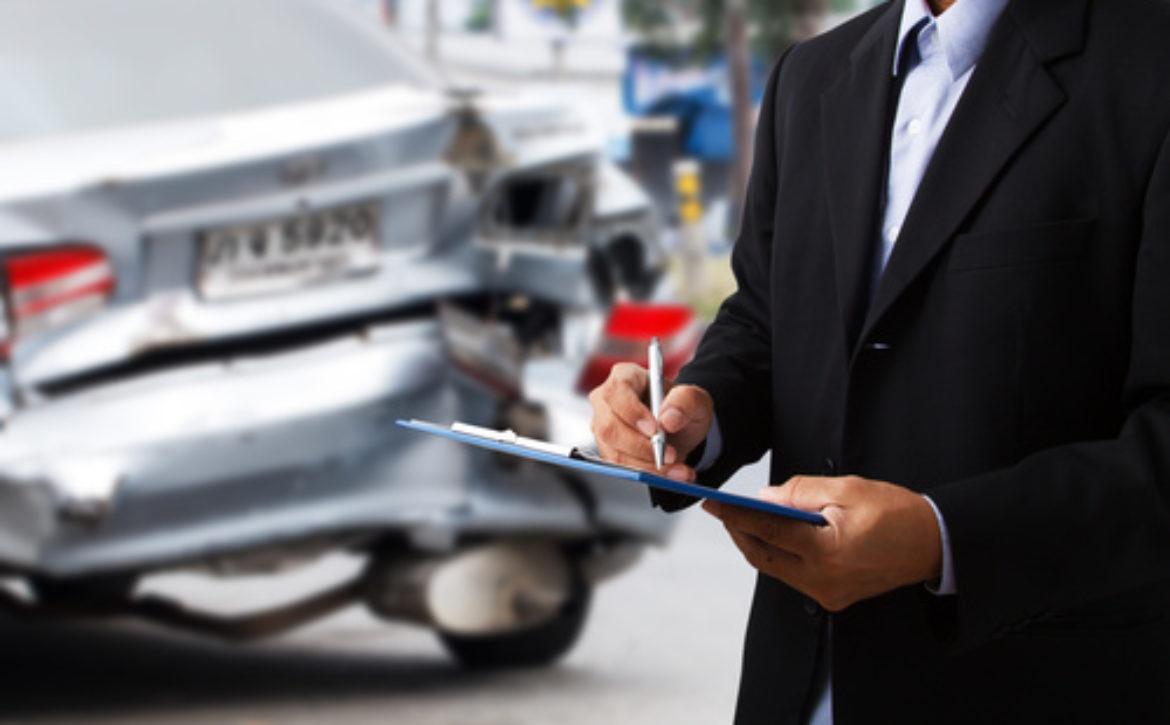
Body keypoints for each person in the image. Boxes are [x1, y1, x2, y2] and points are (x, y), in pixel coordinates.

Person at [587, 0, 1170, 722]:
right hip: (796, 682)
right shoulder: (812, 75)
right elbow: (767, 314)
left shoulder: (1148, 64)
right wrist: (692, 411)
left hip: (1033, 682)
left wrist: (942, 538)